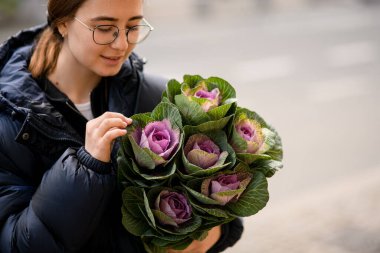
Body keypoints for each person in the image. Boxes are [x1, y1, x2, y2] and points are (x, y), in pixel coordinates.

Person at [0, 0, 243, 252]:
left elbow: (221, 214)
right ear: (62, 23)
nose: (121, 44)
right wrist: (86, 167)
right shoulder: (9, 119)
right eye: (104, 28)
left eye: (133, 26)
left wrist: (205, 236)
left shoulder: (157, 97)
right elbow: (16, 244)